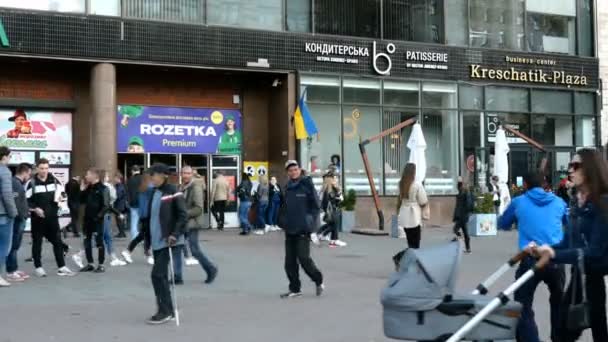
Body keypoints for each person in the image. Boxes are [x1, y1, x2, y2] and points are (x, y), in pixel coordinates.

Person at [536, 149, 608, 342]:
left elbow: (595, 252)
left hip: (593, 278)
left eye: (576, 166)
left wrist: (554, 255)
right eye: (569, 166)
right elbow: (568, 242)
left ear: (590, 169)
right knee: (565, 331)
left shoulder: (602, 204)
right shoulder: (577, 204)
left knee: (583, 331)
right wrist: (543, 249)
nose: (570, 171)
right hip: (578, 276)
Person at [497, 172, 567, 342]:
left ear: (526, 185)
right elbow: (568, 223)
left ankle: (530, 339)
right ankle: (559, 338)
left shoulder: (518, 202)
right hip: (554, 257)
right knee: (559, 302)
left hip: (530, 257)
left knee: (522, 304)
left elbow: (503, 224)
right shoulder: (559, 202)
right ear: (544, 185)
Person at [146, 163, 187, 325]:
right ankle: (165, 309)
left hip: (167, 240)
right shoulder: (154, 192)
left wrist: (174, 234)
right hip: (156, 240)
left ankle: (165, 311)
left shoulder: (173, 191)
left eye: (154, 175)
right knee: (160, 276)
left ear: (163, 175)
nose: (151, 178)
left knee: (157, 275)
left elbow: (182, 215)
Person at [279, 160, 324, 299]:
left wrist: (310, 221)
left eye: (295, 169)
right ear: (287, 172)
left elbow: (316, 206)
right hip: (290, 229)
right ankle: (295, 289)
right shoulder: (287, 187)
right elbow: (284, 207)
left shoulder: (306, 185)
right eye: (290, 170)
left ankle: (318, 280)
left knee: (304, 258)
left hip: (303, 229)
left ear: (299, 170)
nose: (293, 172)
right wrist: (282, 221)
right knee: (289, 263)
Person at [26, 158, 75, 277]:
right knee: (37, 243)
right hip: (37, 219)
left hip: (52, 217)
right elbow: (26, 202)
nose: (44, 171)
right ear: (37, 168)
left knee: (58, 242)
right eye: (42, 168)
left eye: (47, 168)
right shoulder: (31, 183)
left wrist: (61, 201)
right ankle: (38, 267)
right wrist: (35, 209)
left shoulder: (54, 180)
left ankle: (62, 267)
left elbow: (63, 196)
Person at [177, 165, 218, 284]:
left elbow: (199, 208)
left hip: (192, 223)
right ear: (181, 174)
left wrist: (183, 214)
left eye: (188, 173)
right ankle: (177, 276)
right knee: (178, 247)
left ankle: (211, 269)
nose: (186, 176)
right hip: (183, 223)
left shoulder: (196, 187)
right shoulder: (181, 187)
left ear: (192, 175)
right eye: (184, 173)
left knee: (194, 250)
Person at [78, 168, 112, 273]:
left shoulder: (103, 188)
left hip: (97, 220)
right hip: (87, 219)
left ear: (95, 176)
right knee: (87, 241)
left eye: (88, 175)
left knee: (99, 242)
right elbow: (81, 201)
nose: (86, 176)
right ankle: (90, 264)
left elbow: (106, 206)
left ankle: (101, 264)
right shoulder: (89, 188)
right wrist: (82, 189)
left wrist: (98, 217)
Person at [5, 163, 32, 282]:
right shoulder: (16, 184)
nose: (29, 177)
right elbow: (15, 202)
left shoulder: (17, 183)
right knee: (13, 246)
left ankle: (14, 269)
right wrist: (22, 216)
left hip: (19, 219)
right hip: (17, 220)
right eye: (29, 174)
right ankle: (11, 271)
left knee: (15, 245)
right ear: (25, 172)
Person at [121, 173, 154, 265]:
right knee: (147, 235)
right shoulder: (150, 188)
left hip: (143, 214)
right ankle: (147, 254)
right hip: (148, 214)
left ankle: (129, 251)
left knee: (143, 235)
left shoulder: (142, 188)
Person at [396, 163, 428, 249]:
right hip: (414, 216)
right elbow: (423, 200)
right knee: (416, 243)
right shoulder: (417, 184)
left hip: (404, 215)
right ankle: (414, 259)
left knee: (410, 242)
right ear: (413, 172)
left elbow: (399, 199)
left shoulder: (400, 184)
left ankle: (411, 257)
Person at [0, 147, 18, 286]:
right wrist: (13, 212)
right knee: (3, 246)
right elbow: (7, 195)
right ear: (4, 157)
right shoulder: (4, 171)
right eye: (9, 156)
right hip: (3, 215)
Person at [318, 172, 346, 247]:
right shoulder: (330, 189)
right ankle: (334, 240)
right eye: (334, 178)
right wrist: (339, 193)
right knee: (334, 225)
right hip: (332, 210)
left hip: (331, 210)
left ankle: (331, 240)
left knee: (332, 225)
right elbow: (337, 199)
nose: (336, 179)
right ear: (330, 179)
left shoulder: (327, 188)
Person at [452, 181, 474, 253]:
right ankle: (468, 248)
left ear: (460, 187)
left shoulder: (465, 194)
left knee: (457, 230)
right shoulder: (461, 194)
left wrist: (466, 212)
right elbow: (458, 206)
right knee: (463, 231)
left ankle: (461, 241)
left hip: (463, 216)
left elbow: (466, 205)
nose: (457, 188)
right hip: (462, 215)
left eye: (458, 187)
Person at [127, 165, 144, 240]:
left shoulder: (130, 180)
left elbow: (127, 192)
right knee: (144, 222)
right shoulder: (143, 179)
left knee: (134, 222)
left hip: (133, 204)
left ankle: (135, 239)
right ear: (139, 171)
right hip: (143, 204)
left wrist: (128, 201)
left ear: (132, 171)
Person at [113, 172, 128, 238]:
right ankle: (122, 233)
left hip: (119, 206)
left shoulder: (120, 186)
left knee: (119, 219)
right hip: (120, 205)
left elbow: (118, 196)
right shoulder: (119, 186)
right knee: (119, 219)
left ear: (118, 178)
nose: (114, 179)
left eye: (115, 178)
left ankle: (122, 233)